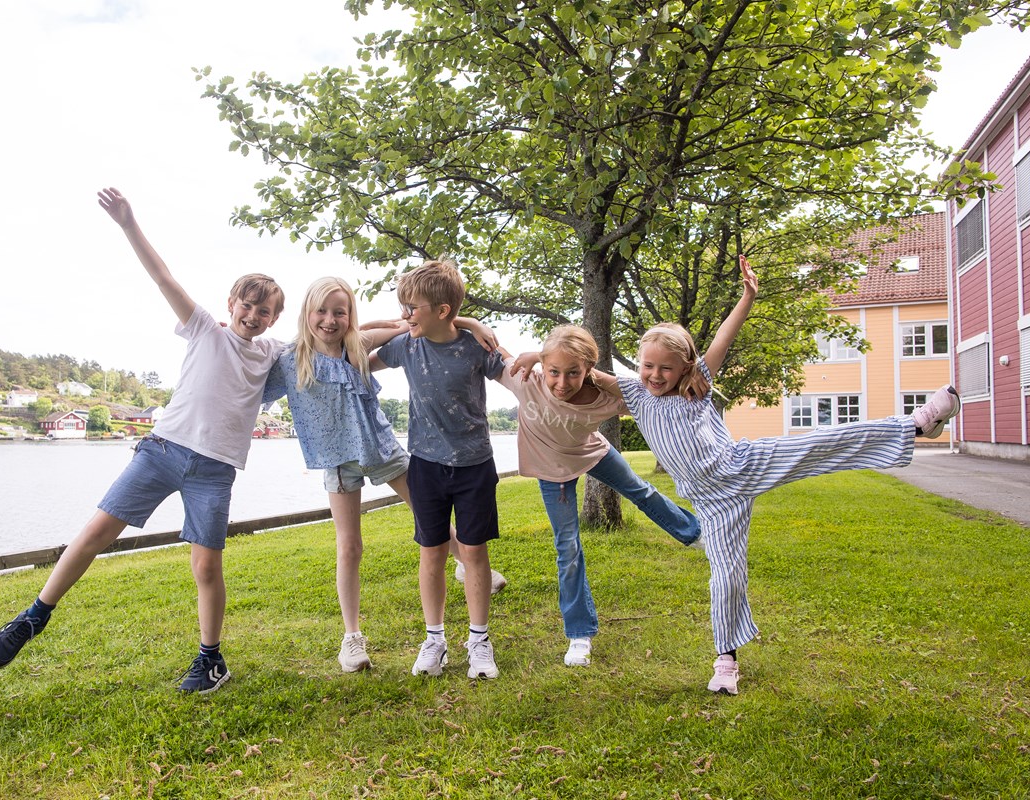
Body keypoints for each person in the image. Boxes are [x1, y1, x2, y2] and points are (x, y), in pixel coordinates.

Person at [589, 254, 960, 695]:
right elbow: (582, 369)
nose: (654, 374)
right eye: (648, 365)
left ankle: (916, 424)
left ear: (685, 366)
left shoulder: (699, 383)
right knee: (726, 574)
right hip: (714, 502)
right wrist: (537, 356)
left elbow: (723, 337)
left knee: (820, 443)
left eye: (665, 367)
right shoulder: (636, 391)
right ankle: (726, 659)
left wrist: (748, 296)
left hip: (742, 465)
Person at [0, 187, 286, 695]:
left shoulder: (272, 350)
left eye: (264, 311)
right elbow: (162, 275)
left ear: (274, 319)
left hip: (213, 470)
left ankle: (210, 658)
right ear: (230, 303)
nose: (253, 315)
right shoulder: (203, 330)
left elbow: (335, 333)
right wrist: (128, 224)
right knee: (97, 531)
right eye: (247, 305)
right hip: (163, 452)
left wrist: (418, 322)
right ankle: (34, 616)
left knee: (206, 562)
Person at [261, 276, 507, 673]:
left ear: (350, 317)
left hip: (380, 447)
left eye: (339, 312)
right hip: (337, 458)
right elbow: (248, 381)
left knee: (430, 518)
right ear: (306, 314)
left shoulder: (356, 345)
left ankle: (466, 562)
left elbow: (416, 322)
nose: (329, 320)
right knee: (349, 545)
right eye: (321, 311)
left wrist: (473, 324)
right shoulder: (290, 360)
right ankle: (351, 637)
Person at [501, 325, 701, 667]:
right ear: (544, 367)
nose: (562, 383)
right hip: (553, 473)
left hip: (593, 452)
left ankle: (698, 534)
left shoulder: (609, 397)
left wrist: (691, 376)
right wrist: (471, 324)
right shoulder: (526, 380)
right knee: (568, 546)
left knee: (642, 491)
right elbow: (492, 352)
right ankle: (579, 633)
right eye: (554, 372)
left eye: (574, 373)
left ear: (589, 370)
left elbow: (655, 390)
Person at [372, 259, 507, 679]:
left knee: (474, 553)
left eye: (412, 307)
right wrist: (406, 323)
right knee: (430, 553)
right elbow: (354, 343)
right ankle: (435, 640)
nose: (405, 314)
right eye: (403, 307)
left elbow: (515, 374)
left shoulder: (474, 348)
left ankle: (479, 641)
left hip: (474, 467)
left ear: (442, 310)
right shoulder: (406, 345)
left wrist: (475, 327)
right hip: (426, 467)